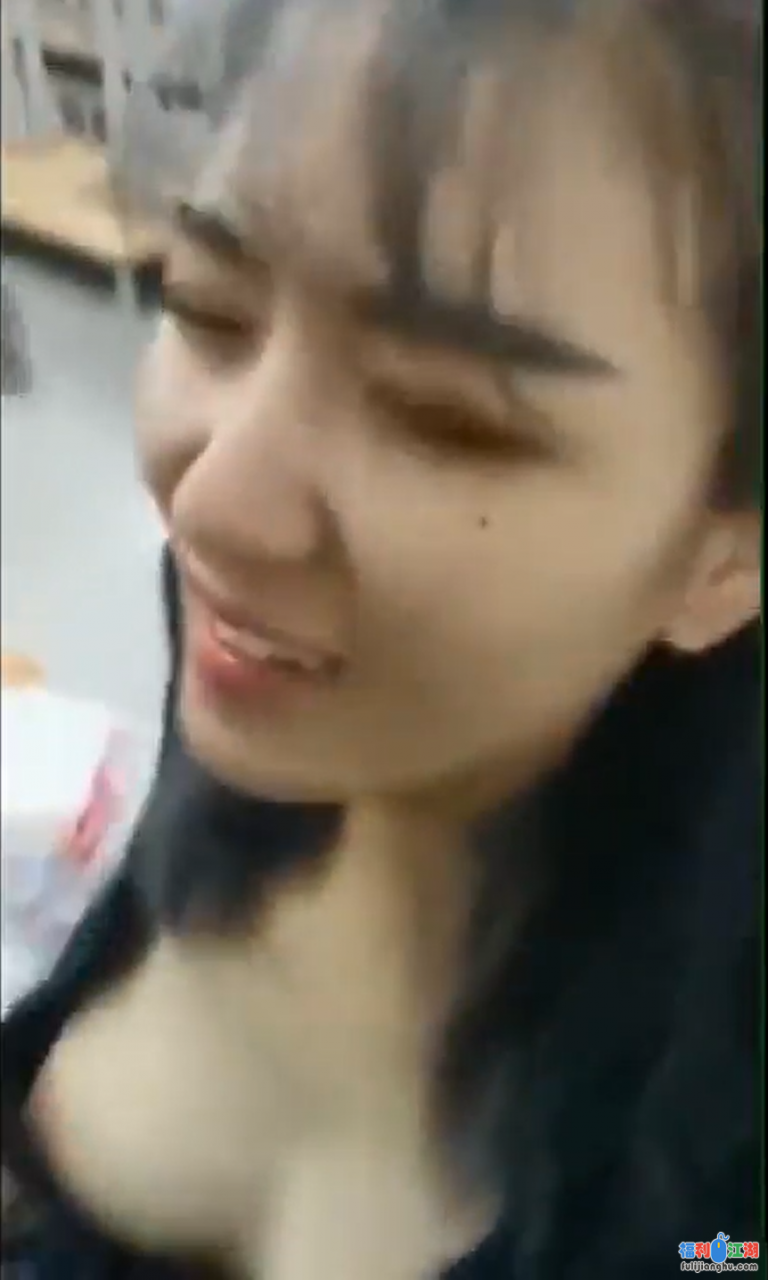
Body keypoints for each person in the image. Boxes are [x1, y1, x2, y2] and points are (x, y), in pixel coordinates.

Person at [2, 1, 761, 1277]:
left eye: (443, 419)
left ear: (726, 555)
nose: (211, 504)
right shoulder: (278, 682)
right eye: (210, 308)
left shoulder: (716, 1206)